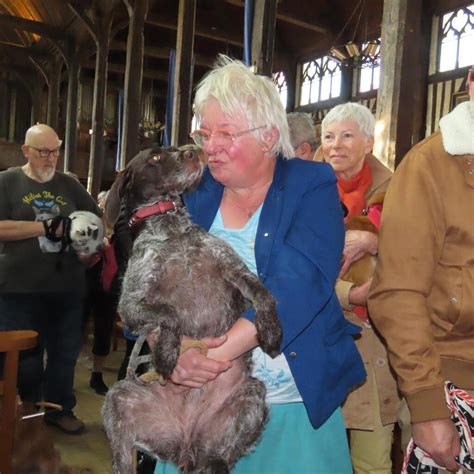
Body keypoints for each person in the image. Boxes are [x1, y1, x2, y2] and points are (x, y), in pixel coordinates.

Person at [154, 56, 366, 474]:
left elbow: (299, 286)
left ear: (269, 136)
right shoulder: (194, 192)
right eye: (204, 132)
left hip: (287, 406)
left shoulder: (312, 185)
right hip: (198, 408)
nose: (210, 145)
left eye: (226, 133)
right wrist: (173, 352)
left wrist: (206, 357)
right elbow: (157, 280)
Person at [368, 70, 474, 473]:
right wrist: (429, 406)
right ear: (471, 81)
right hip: (453, 385)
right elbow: (397, 293)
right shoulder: (429, 166)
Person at [0, 124, 101, 434]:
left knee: (64, 355)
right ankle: (25, 412)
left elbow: (98, 219)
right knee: (25, 361)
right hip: (18, 289)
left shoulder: (70, 185)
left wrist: (93, 246)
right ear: (26, 150)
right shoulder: (7, 182)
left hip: (66, 289)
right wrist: (45, 228)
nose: (50, 158)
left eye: (55, 151)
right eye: (43, 151)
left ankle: (60, 410)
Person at [318, 102, 400, 474]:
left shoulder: (398, 192)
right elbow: (288, 268)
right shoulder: (303, 193)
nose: (335, 145)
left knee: (372, 458)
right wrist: (347, 294)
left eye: (347, 135)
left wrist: (376, 242)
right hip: (321, 337)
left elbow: (420, 251)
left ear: (368, 142)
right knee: (317, 456)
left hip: (380, 338)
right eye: (329, 136)